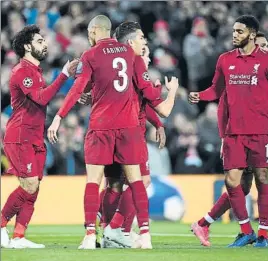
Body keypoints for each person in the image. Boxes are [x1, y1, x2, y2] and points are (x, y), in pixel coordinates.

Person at [47, 15, 179, 250]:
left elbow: (79, 88)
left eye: (89, 33)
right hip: (128, 128)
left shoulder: (91, 55)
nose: (89, 37)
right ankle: (144, 235)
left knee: (95, 182)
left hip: (101, 127)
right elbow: (146, 96)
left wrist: (58, 117)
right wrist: (162, 114)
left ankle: (90, 235)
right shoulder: (132, 54)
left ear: (96, 30)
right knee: (137, 182)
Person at [189, 15, 268, 247]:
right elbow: (216, 89)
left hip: (261, 130)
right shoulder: (225, 59)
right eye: (234, 31)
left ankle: (263, 234)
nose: (234, 35)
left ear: (251, 34)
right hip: (234, 132)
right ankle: (247, 230)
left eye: (239, 31)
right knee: (232, 181)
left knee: (264, 179)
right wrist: (200, 96)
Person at [1, 25, 78, 249]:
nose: (45, 44)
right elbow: (42, 99)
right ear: (27, 46)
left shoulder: (36, 72)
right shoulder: (21, 71)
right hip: (20, 136)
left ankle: (19, 237)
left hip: (35, 137)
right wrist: (64, 75)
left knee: (34, 187)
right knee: (29, 185)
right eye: (39, 41)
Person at [101, 23, 166, 248]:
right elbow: (153, 100)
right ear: (131, 42)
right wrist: (169, 91)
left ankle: (105, 230)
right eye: (142, 41)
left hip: (108, 130)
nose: (144, 46)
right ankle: (117, 228)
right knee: (140, 181)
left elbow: (140, 101)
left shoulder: (112, 63)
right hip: (131, 132)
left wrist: (157, 124)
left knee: (114, 185)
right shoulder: (135, 62)